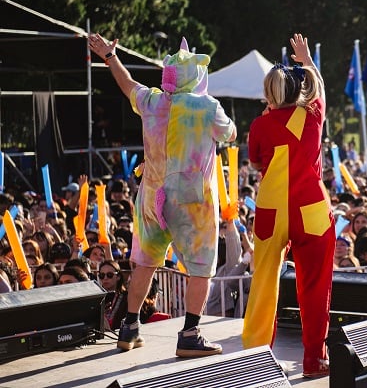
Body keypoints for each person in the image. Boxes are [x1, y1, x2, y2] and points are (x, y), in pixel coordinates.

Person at [88, 33, 236, 358]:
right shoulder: (206, 107)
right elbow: (230, 133)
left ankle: (129, 327)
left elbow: (127, 84)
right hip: (191, 202)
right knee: (201, 267)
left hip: (151, 196)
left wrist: (110, 56)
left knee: (145, 263)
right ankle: (191, 333)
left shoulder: (152, 100)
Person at [241, 34, 335, 379]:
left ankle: (255, 361)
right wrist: (307, 59)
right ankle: (313, 360)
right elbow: (320, 87)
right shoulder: (311, 116)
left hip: (270, 208)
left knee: (264, 282)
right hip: (310, 207)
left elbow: (254, 163)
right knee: (314, 286)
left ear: (269, 95)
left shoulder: (260, 125)